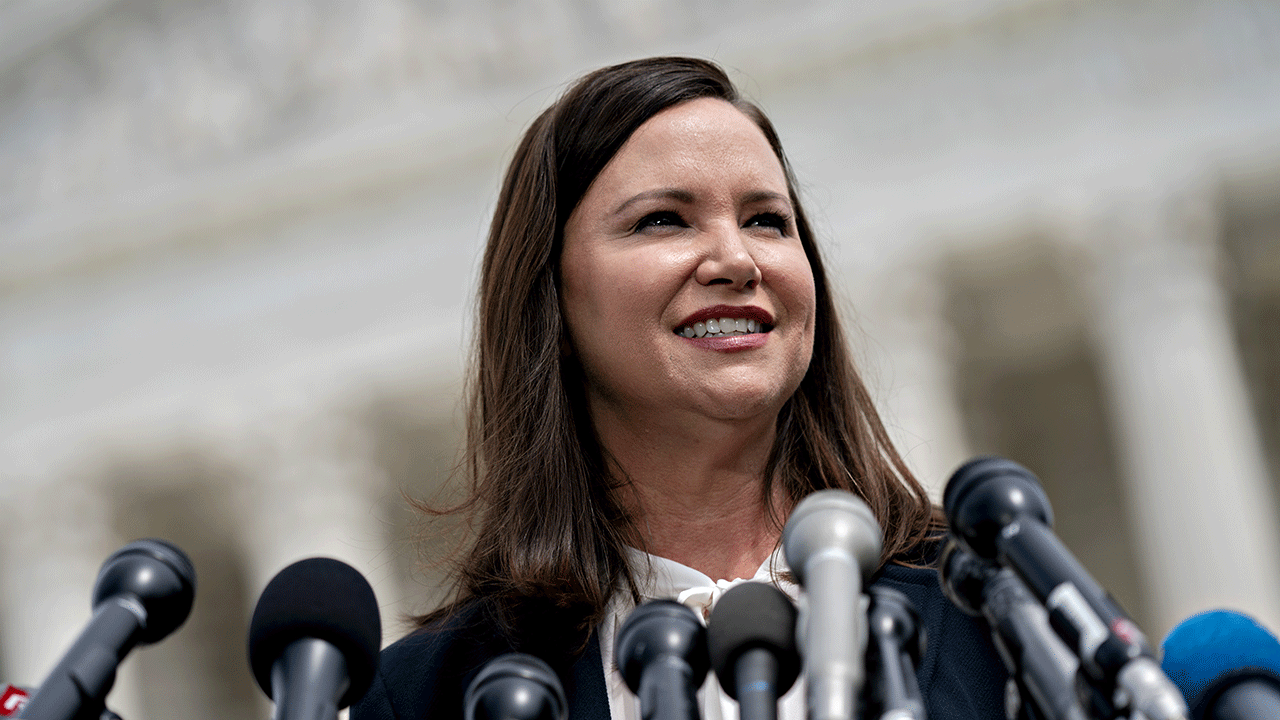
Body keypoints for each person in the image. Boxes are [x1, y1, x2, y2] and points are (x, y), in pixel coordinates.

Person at [353, 56, 1007, 720]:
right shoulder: (426, 697)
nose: (737, 260)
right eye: (663, 219)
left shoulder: (996, 602)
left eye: (766, 221)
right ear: (550, 299)